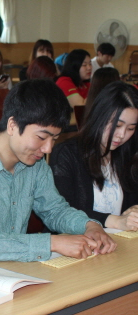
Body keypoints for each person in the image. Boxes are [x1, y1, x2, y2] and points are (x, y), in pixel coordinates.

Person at [0, 79, 116, 261]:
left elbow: (54, 210)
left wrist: (89, 226)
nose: (48, 149)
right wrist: (52, 243)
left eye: (54, 139)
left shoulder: (35, 164)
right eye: (41, 137)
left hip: (16, 271)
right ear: (12, 125)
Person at [50, 82, 138, 231]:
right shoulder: (67, 154)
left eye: (130, 128)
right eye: (116, 126)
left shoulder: (128, 153)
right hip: (77, 244)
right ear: (99, 117)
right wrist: (115, 221)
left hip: (117, 242)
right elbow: (62, 212)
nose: (122, 135)